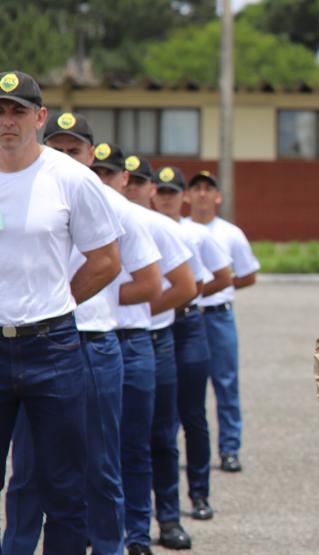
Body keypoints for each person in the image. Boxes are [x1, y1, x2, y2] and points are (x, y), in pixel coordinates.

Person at [3, 112, 162, 555]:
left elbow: (145, 279)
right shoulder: (24, 189)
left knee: (96, 465)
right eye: (59, 147)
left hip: (85, 342)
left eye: (75, 150)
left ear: (92, 155)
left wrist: (64, 302)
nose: (66, 156)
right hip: (35, 343)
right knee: (28, 470)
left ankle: (110, 546)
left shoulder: (103, 199)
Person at [0, 70, 122, 553]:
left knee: (65, 486)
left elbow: (107, 259)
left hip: (52, 348)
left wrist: (59, 301)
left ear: (39, 117)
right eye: (0, 111)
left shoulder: (70, 177)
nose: (8, 121)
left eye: (18, 111)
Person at [125, 161, 208, 552]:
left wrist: (141, 309)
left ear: (149, 187)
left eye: (140, 182)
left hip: (156, 339)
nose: (133, 189)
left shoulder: (161, 227)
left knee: (161, 435)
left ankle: (169, 519)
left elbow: (190, 285)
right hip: (104, 339)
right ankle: (115, 523)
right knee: (107, 440)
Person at [145, 161, 233, 521]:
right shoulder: (143, 226)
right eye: (161, 192)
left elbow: (221, 276)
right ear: (154, 195)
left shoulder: (195, 233)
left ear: (182, 197)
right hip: (153, 328)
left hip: (187, 326)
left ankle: (199, 493)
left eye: (172, 192)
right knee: (155, 419)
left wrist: (186, 296)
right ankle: (152, 499)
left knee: (192, 415)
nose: (166, 198)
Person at [186, 170, 261, 473]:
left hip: (217, 316)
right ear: (187, 196)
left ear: (218, 197)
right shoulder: (177, 229)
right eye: (197, 188)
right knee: (183, 387)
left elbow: (248, 275)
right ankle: (181, 450)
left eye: (208, 189)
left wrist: (220, 287)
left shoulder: (230, 233)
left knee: (226, 383)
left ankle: (230, 449)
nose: (202, 194)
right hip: (186, 315)